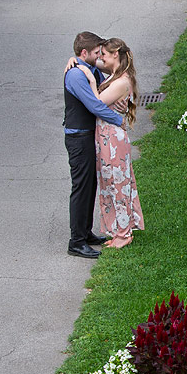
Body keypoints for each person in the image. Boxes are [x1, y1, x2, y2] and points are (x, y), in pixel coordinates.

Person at [68, 37, 145, 248]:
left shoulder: (121, 81)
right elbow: (87, 58)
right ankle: (119, 230)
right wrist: (73, 60)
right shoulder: (115, 74)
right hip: (105, 137)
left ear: (115, 54)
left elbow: (97, 103)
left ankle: (123, 234)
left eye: (104, 54)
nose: (100, 58)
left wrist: (92, 82)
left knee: (118, 184)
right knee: (110, 183)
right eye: (99, 54)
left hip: (113, 139)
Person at [64, 31, 122, 259]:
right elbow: (94, 106)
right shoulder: (76, 76)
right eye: (96, 53)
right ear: (84, 52)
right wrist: (120, 120)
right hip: (78, 138)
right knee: (81, 187)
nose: (100, 57)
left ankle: (85, 233)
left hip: (87, 135)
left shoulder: (87, 68)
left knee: (89, 186)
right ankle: (76, 241)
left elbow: (113, 69)